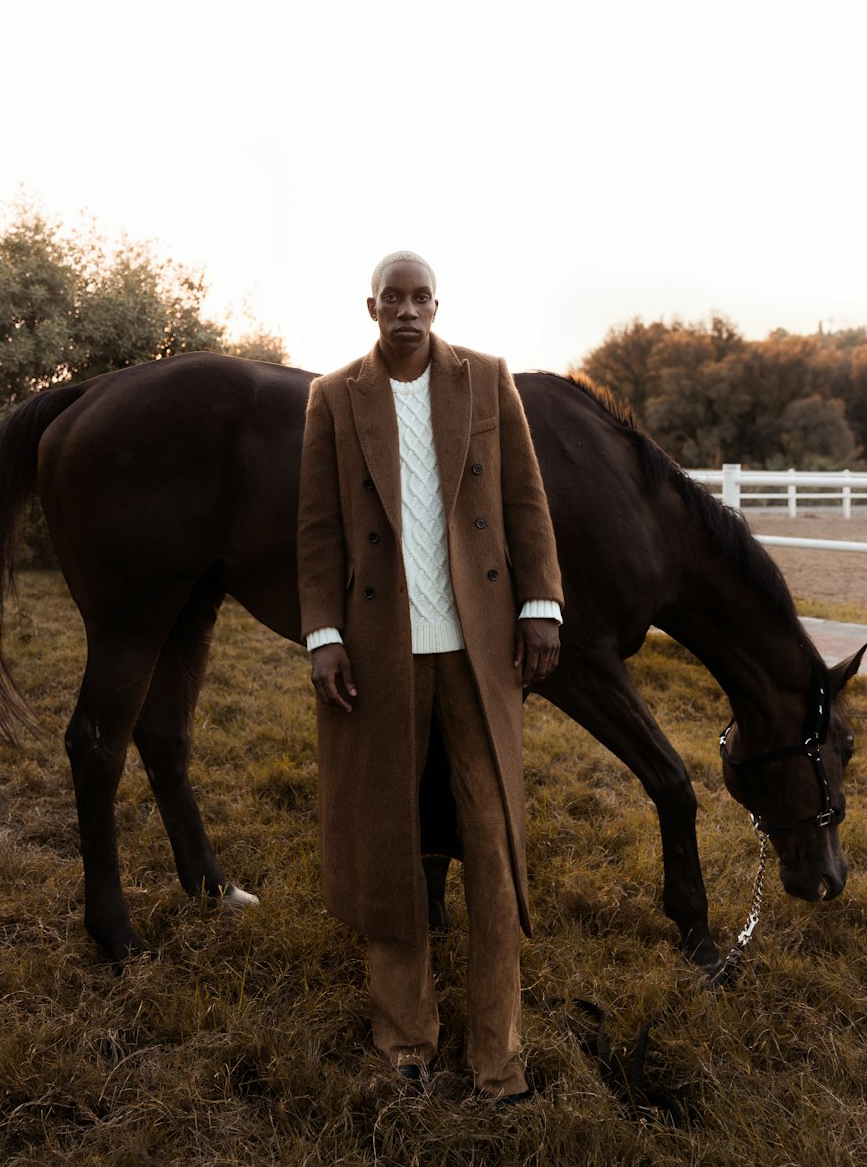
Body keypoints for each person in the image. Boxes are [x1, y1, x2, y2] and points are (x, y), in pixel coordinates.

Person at [297, 250, 563, 1102]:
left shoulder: (486, 380)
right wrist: (323, 632)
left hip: (478, 646)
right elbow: (316, 528)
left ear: (436, 305)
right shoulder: (334, 396)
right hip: (378, 647)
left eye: (420, 298)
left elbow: (526, 500)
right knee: (388, 837)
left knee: (490, 843)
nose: (406, 310)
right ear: (370, 306)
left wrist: (541, 603)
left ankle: (499, 1054)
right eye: (392, 298)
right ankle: (406, 1035)